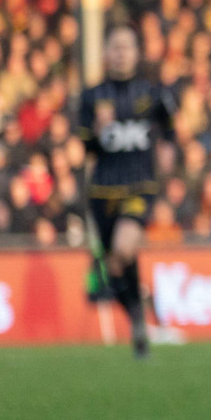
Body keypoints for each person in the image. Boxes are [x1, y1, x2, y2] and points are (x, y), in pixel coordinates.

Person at [77, 25, 176, 359]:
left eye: (127, 47)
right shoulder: (92, 96)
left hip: (139, 186)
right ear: (106, 53)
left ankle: (137, 314)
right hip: (103, 190)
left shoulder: (152, 93)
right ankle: (137, 316)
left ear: (136, 53)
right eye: (115, 47)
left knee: (123, 247)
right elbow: (86, 146)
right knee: (118, 264)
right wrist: (97, 131)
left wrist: (167, 154)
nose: (121, 53)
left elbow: (170, 128)